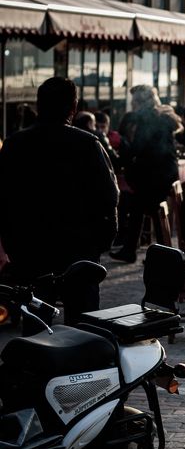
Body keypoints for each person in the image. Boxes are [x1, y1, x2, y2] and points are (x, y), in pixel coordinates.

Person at [0, 76, 118, 323]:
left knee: (36, 325)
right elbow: (109, 197)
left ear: (38, 105)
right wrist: (101, 242)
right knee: (83, 325)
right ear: (73, 108)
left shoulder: (14, 145)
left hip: (29, 250)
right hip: (79, 251)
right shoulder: (87, 144)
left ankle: (34, 361)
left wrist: (9, 244)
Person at [111, 84, 180, 263]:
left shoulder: (145, 117)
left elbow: (139, 147)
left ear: (139, 101)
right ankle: (136, 250)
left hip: (154, 175)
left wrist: (122, 144)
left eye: (133, 100)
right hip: (164, 173)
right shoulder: (162, 114)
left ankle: (159, 255)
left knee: (145, 209)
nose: (131, 103)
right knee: (140, 208)